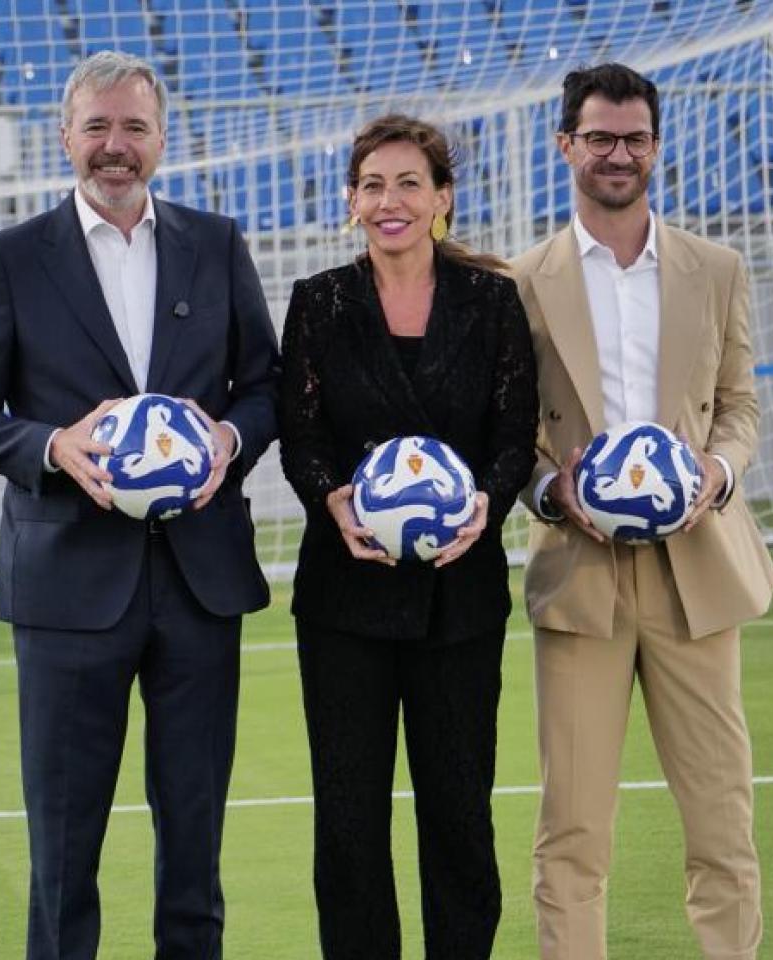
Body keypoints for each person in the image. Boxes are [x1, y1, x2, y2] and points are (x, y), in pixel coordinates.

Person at [0, 51, 280, 960]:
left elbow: (267, 388)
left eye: (133, 128)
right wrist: (54, 447)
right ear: (65, 137)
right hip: (66, 592)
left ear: (162, 139)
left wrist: (228, 442)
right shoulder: (11, 259)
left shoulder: (217, 242)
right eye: (98, 127)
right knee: (63, 846)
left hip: (200, 583)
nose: (115, 147)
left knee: (195, 844)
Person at [509, 63, 773, 960]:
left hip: (698, 570)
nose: (617, 154)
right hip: (582, 577)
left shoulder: (716, 268)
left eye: (633, 139)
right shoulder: (522, 283)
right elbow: (510, 431)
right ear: (567, 147)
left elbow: (740, 407)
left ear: (656, 147)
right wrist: (554, 492)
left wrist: (718, 472)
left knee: (721, 823)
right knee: (574, 831)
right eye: (598, 138)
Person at [277, 114, 538, 960]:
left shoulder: (493, 302)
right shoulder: (319, 301)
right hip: (345, 601)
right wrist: (334, 500)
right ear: (351, 202)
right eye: (373, 185)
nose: (390, 201)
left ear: (442, 200)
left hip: (459, 602)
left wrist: (483, 509)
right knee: (349, 819)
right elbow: (301, 438)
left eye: (409, 184)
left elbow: (513, 440)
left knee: (459, 812)